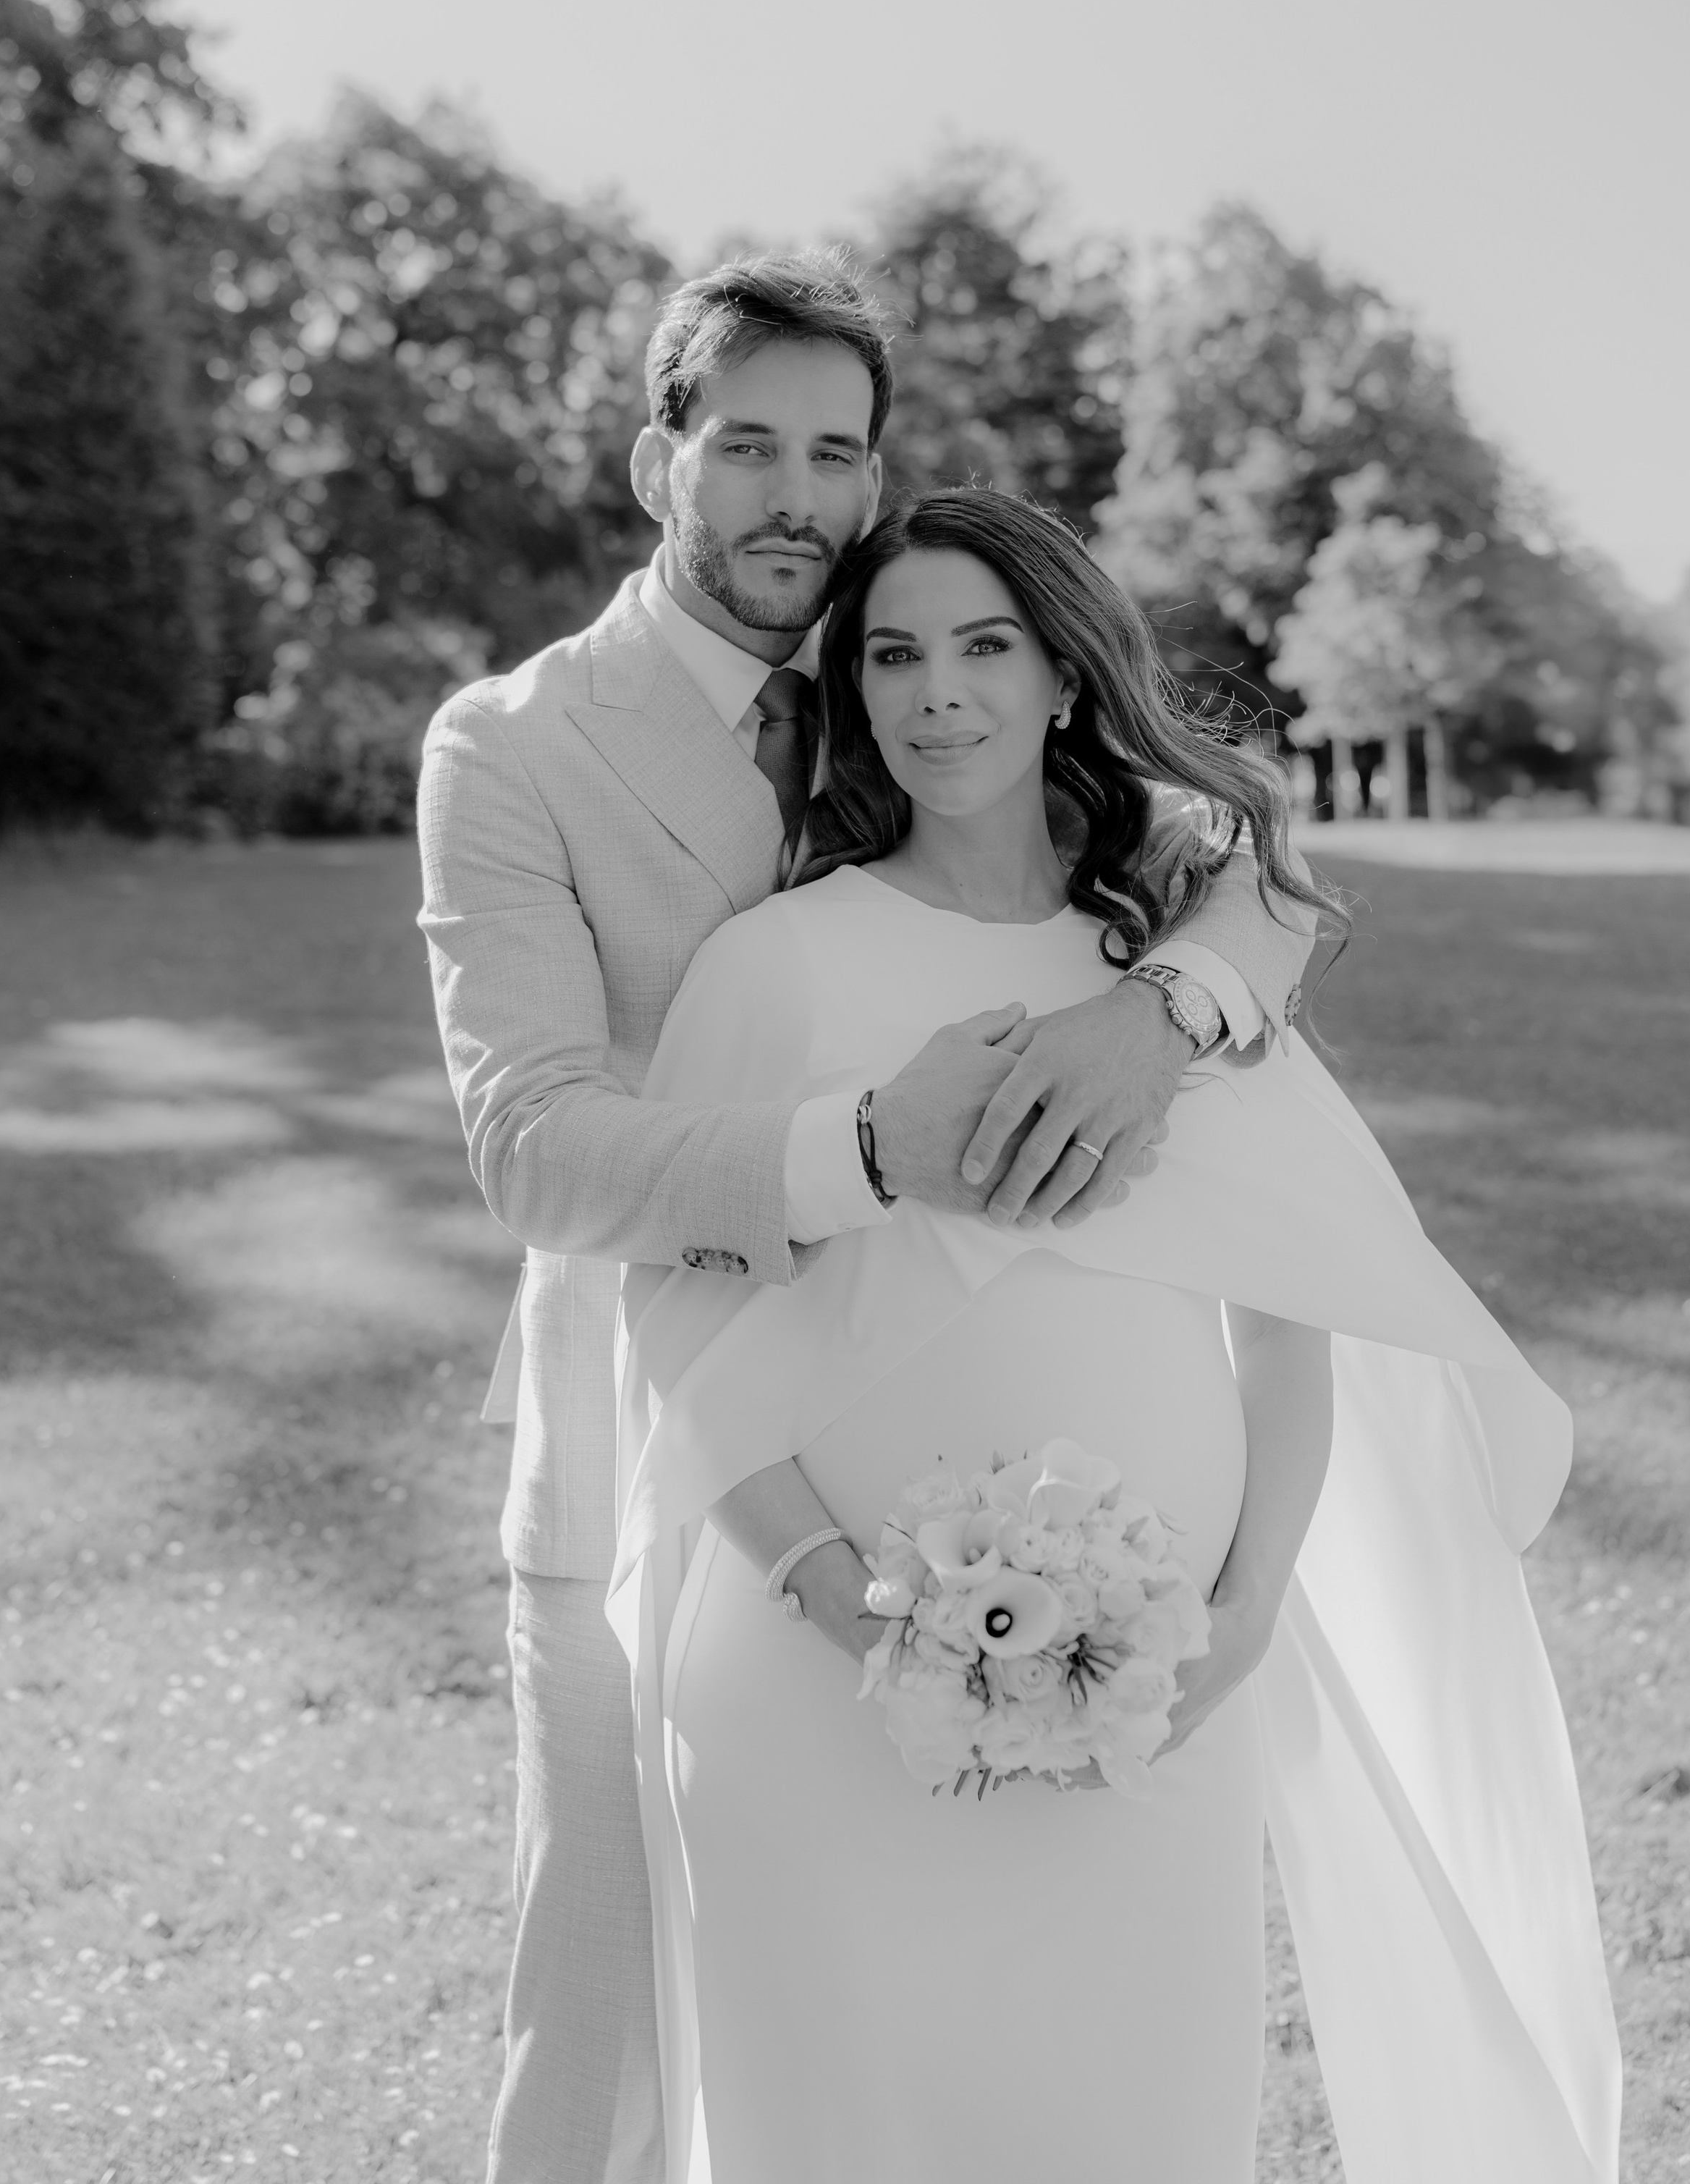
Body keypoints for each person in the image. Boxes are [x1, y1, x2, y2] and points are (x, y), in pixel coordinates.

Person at [416, 254, 1319, 2184]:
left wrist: (1165, 1016)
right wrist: (871, 1148)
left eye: (839, 451)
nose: (797, 497)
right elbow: (532, 1143)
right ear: (663, 459)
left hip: (967, 1415)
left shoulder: (910, 661)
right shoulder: (515, 746)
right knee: (607, 2019)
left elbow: (1245, 875)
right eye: (749, 446)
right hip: (649, 1447)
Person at [609, 487, 1622, 2184]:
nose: (939, 694)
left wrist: (1234, 1618)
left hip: (1149, 1705)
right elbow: (676, 1312)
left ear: (1066, 677)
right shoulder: (771, 965)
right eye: (894, 654)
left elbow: (1287, 1323)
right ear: (850, 693)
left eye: (985, 647)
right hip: (819, 1695)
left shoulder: (1169, 977)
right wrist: (844, 1604)